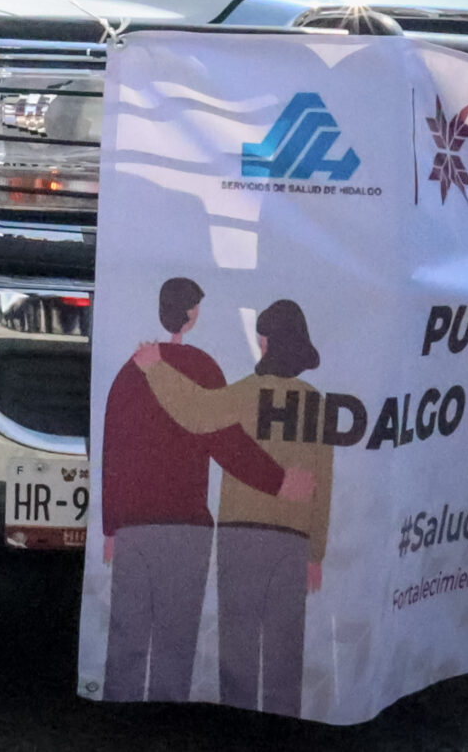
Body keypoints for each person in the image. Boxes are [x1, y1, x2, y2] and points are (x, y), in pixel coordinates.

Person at [98, 277, 312, 702]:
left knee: (126, 637)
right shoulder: (202, 367)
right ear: (192, 314)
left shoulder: (127, 372)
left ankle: (117, 723)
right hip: (184, 526)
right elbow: (226, 442)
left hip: (132, 527)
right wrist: (280, 482)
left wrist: (109, 528)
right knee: (176, 642)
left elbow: (113, 451)